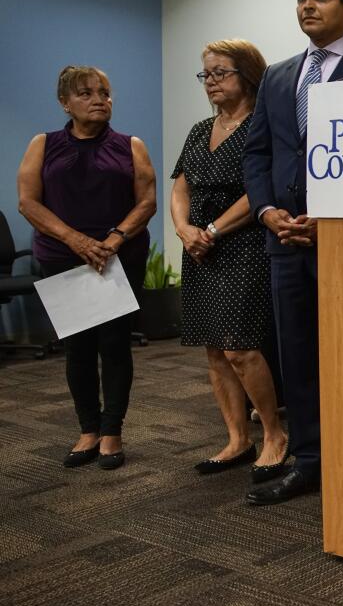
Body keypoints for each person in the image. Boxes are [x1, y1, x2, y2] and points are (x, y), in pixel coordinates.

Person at [242, 0, 343, 505]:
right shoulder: (278, 76)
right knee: (296, 352)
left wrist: (336, 217)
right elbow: (259, 155)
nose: (307, 5)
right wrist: (265, 211)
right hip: (283, 240)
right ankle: (310, 459)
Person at [16, 65, 157, 471]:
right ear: (65, 102)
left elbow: (146, 201)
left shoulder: (131, 145)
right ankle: (88, 430)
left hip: (119, 257)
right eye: (87, 93)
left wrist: (113, 240)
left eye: (105, 92)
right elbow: (29, 202)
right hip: (64, 257)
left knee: (114, 345)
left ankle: (112, 431)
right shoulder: (43, 145)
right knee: (78, 348)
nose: (99, 100)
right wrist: (75, 240)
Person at [171, 39, 288, 482]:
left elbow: (260, 188)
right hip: (198, 248)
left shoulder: (265, 124)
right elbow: (181, 186)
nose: (212, 83)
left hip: (242, 245)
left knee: (241, 346)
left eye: (221, 73)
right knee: (215, 350)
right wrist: (184, 231)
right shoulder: (201, 130)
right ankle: (238, 439)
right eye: (206, 75)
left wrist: (213, 231)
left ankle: (275, 434)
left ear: (248, 74)